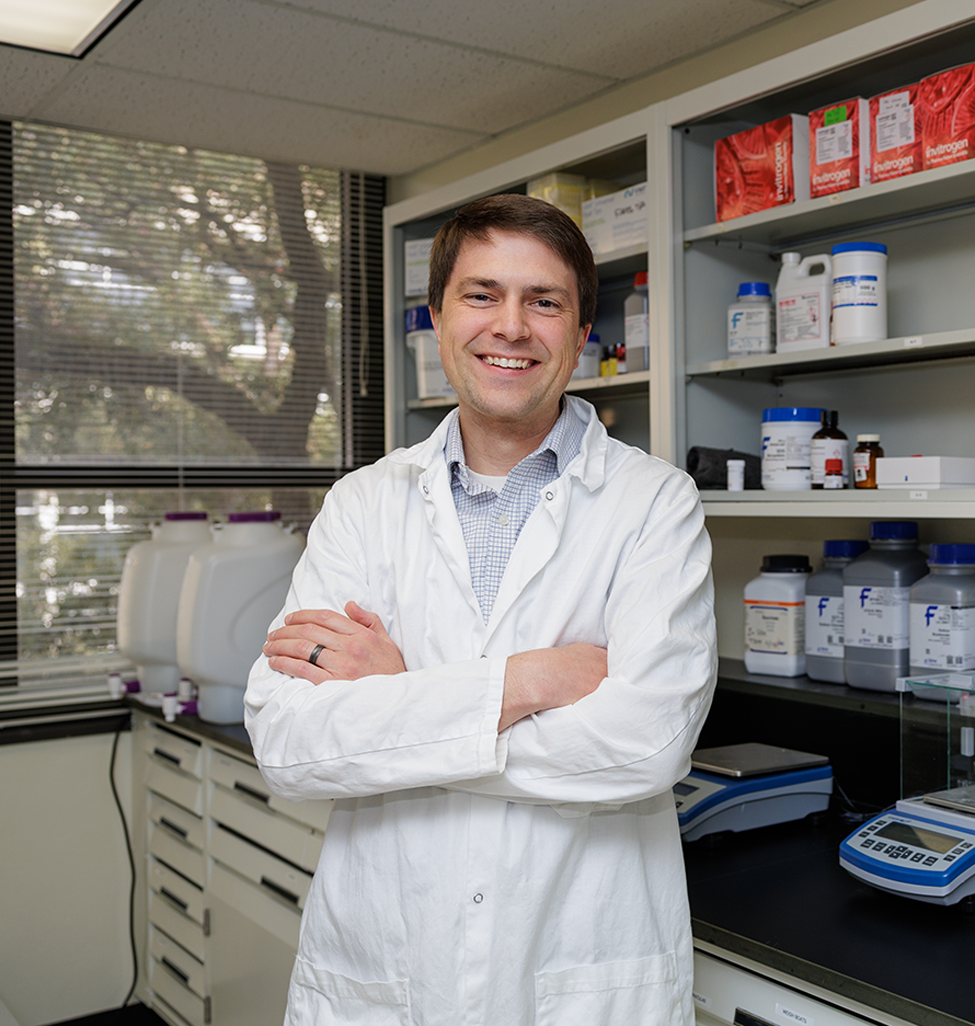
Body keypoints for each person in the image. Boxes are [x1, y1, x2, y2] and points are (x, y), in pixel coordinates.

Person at [244, 193, 717, 1025]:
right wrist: (533, 680)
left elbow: (645, 746)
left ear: (579, 333)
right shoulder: (362, 504)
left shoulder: (653, 504)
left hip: (580, 976)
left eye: (545, 302)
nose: (512, 326)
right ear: (437, 318)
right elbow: (289, 747)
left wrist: (399, 698)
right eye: (481, 295)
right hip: (384, 971)